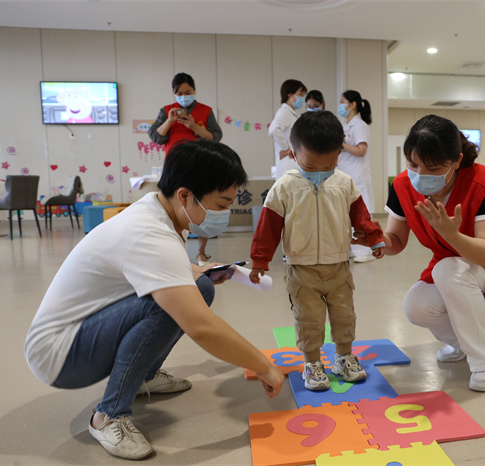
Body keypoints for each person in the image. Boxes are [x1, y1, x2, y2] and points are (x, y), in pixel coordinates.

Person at [24, 140, 284, 460]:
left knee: (200, 286)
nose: (224, 213)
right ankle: (108, 415)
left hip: (81, 333)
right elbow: (201, 326)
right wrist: (263, 366)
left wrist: (203, 270)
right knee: (167, 304)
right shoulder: (148, 233)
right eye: (221, 204)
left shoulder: (162, 212)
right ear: (185, 195)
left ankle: (144, 376)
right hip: (59, 355)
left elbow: (165, 269)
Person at [357, 115, 485, 392]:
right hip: (453, 272)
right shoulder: (402, 186)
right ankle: (463, 342)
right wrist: (376, 241)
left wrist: (452, 235)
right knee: (416, 304)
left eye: (433, 168)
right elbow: (396, 241)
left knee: (447, 269)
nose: (420, 174)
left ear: (457, 161)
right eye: (413, 164)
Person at [249, 111, 385, 391]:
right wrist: (260, 260)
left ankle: (344, 357)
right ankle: (311, 362)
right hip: (302, 270)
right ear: (294, 154)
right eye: (311, 166)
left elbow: (361, 216)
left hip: (339, 267)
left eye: (330, 165)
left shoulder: (344, 182)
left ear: (338, 155)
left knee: (344, 316)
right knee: (308, 320)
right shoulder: (284, 186)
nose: (320, 172)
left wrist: (374, 238)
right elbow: (268, 227)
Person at [148, 72, 223, 266]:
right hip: (175, 167)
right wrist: (170, 121)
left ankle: (201, 252)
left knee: (203, 206)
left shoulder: (205, 111)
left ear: (194, 90)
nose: (184, 96)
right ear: (174, 93)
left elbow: (215, 137)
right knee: (173, 209)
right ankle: (175, 250)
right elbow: (156, 137)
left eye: (188, 92)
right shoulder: (166, 111)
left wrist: (193, 126)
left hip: (201, 165)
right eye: (179, 93)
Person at [336, 90, 375, 263]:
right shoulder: (345, 125)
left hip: (358, 176)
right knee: (347, 214)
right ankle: (352, 248)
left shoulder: (360, 126)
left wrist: (342, 145)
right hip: (346, 174)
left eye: (342, 101)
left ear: (352, 105)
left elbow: (361, 150)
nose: (340, 105)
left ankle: (365, 251)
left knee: (361, 214)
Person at [269, 79, 307, 180]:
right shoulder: (284, 112)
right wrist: (285, 149)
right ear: (290, 95)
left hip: (295, 164)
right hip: (288, 166)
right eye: (300, 94)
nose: (302, 98)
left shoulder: (292, 114)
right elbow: (273, 130)